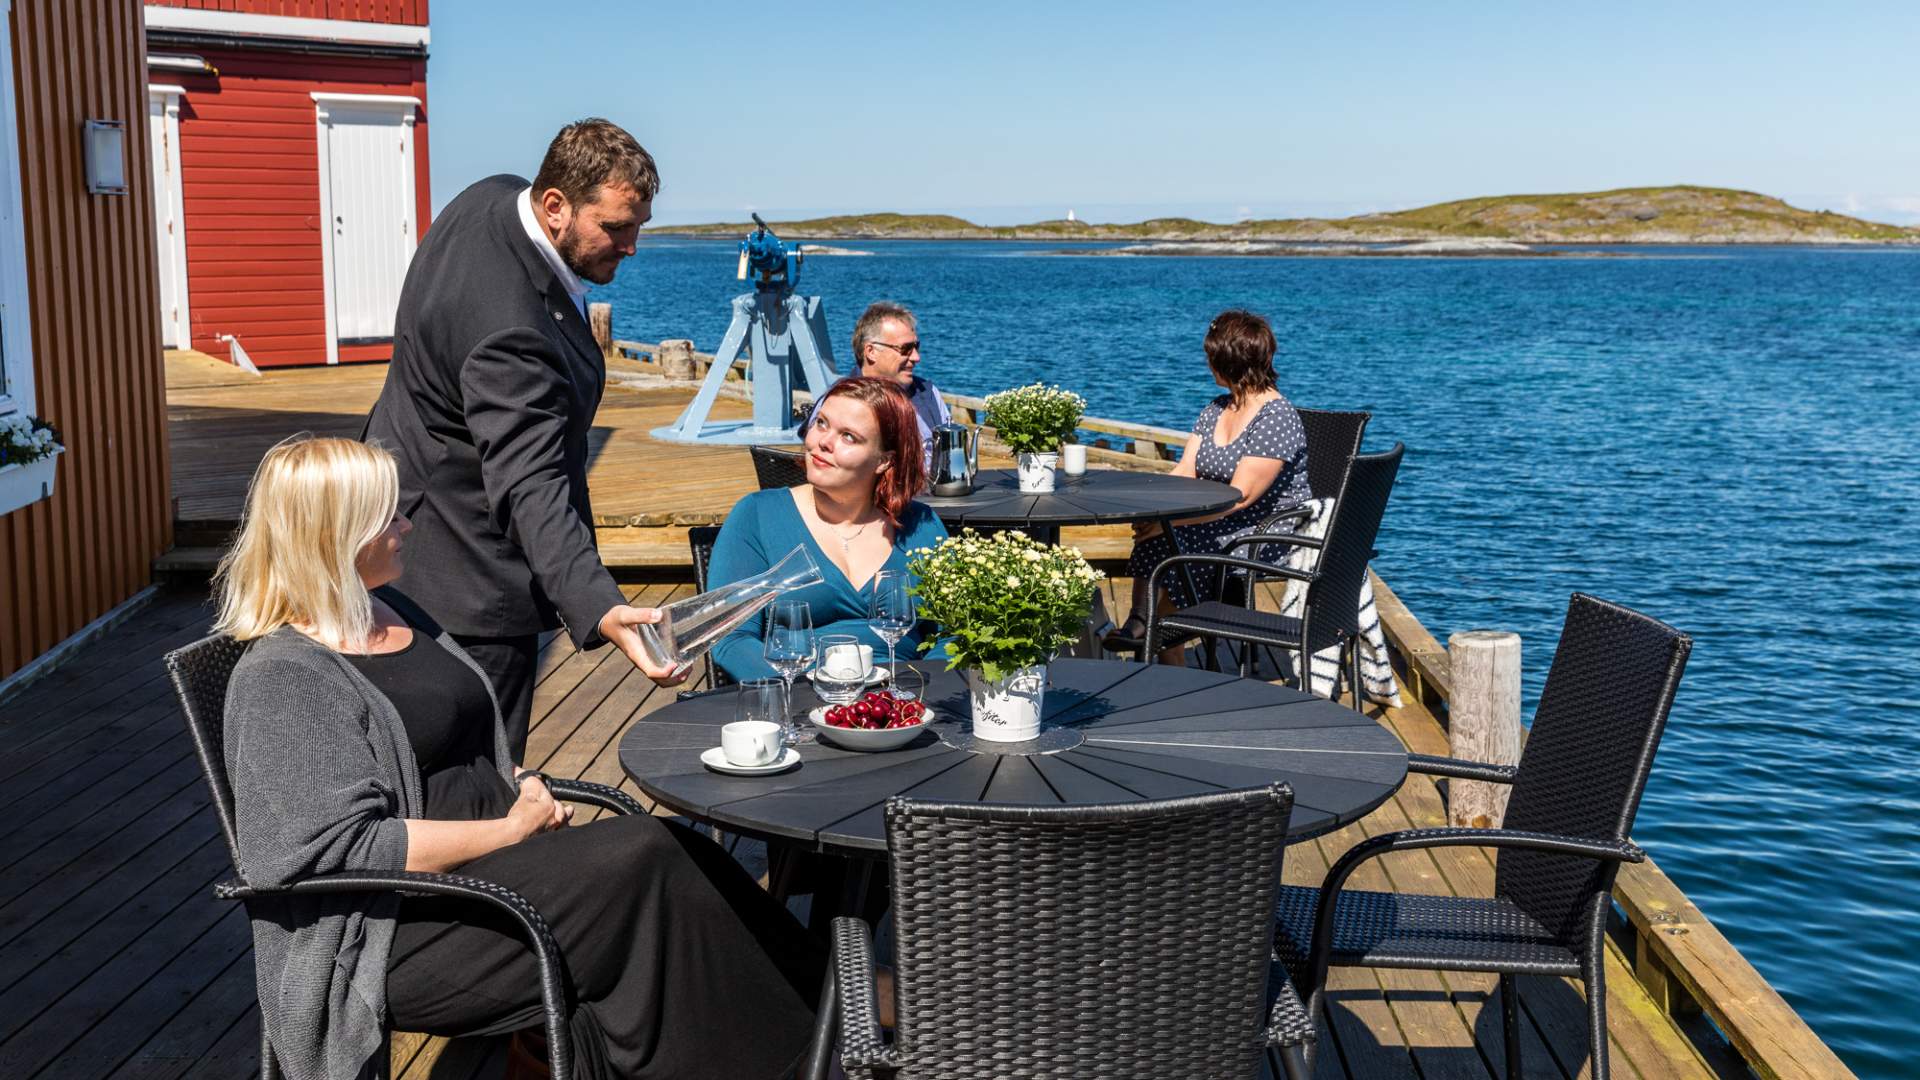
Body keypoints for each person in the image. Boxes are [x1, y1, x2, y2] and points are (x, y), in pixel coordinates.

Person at [215, 436, 822, 1080]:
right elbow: (337, 848)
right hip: (396, 929)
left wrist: (514, 782)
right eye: (388, 514)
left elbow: (457, 739)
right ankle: (814, 1039)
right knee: (647, 863)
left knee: (673, 854)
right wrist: (512, 826)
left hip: (494, 876)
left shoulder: (388, 609)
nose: (407, 524)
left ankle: (823, 1006)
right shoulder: (282, 676)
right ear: (336, 532)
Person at [363, 118, 677, 759]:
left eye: (638, 225)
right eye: (617, 227)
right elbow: (528, 484)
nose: (632, 245)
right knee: (482, 777)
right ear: (556, 206)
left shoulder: (491, 196)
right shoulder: (511, 333)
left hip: (394, 513)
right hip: (463, 576)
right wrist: (599, 605)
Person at [711, 377, 948, 681]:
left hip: (902, 705)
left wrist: (917, 688)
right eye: (821, 423)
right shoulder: (758, 515)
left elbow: (955, 634)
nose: (823, 441)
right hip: (796, 697)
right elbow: (731, 639)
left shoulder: (920, 527)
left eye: (849, 436)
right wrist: (810, 691)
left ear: (883, 461)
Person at [1107, 310, 1311, 662]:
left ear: (1227, 362)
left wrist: (1169, 523)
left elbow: (1241, 498)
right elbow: (1186, 469)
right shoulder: (1217, 409)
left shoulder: (1276, 416)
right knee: (1159, 534)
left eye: (1210, 357)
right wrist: (1150, 507)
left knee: (1168, 541)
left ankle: (1146, 630)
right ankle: (1151, 635)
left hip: (1265, 531)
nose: (1206, 364)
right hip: (1223, 518)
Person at [809, 302, 950, 471]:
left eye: (916, 347)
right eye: (905, 349)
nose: (916, 357)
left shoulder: (928, 394)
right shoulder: (838, 400)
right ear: (871, 351)